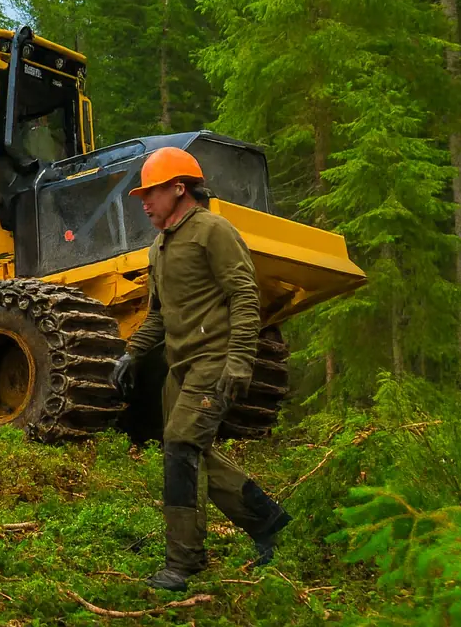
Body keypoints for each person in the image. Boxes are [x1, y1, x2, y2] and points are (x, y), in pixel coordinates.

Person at [109, 147, 291, 591]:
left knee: (179, 444)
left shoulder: (214, 231)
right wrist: (132, 353)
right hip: (180, 369)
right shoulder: (159, 246)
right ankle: (271, 523)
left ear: (179, 188)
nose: (144, 202)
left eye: (151, 192)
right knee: (195, 453)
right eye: (142, 195)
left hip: (214, 361)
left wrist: (240, 361)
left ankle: (183, 563)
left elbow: (245, 298)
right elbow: (156, 314)